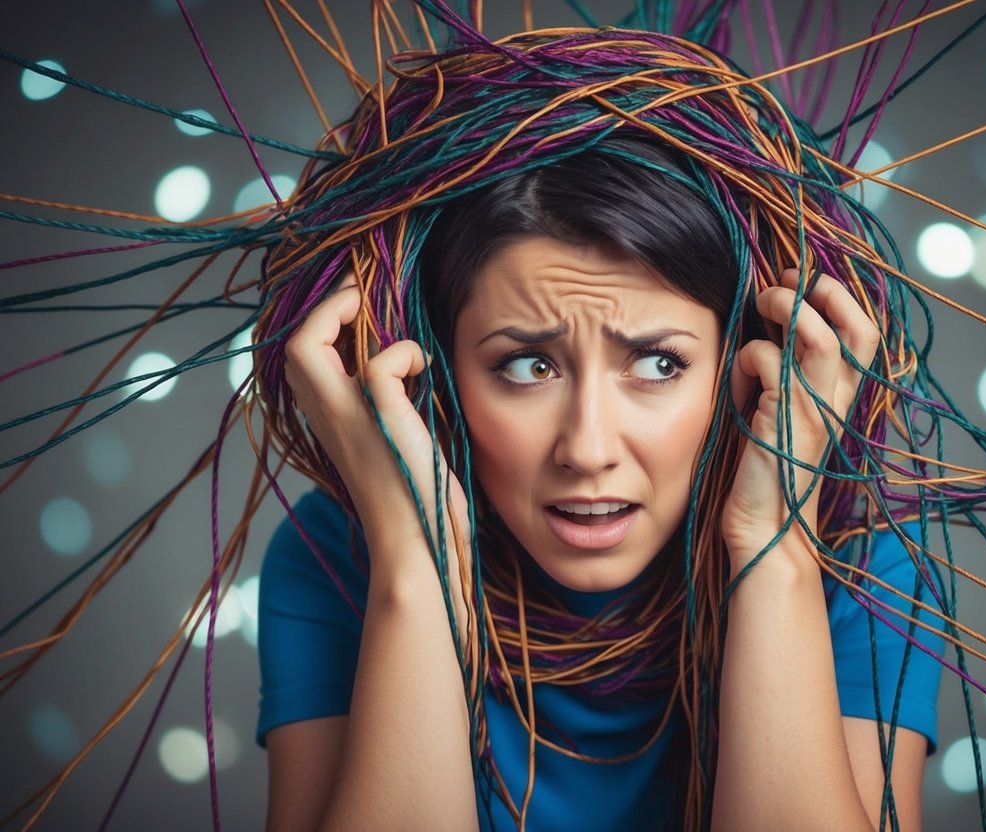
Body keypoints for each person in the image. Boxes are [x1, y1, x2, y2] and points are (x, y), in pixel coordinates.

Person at [251, 30, 946, 829]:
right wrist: (415, 563)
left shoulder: (858, 567)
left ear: (749, 367)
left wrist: (773, 546)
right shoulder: (334, 559)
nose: (586, 449)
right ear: (435, 371)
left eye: (656, 365)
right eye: (526, 367)